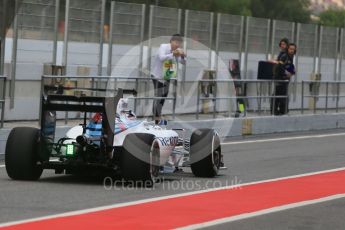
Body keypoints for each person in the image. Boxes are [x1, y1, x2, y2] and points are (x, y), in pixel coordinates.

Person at [151, 34, 186, 124]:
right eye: (176, 42)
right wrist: (172, 54)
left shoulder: (176, 51)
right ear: (171, 41)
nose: (177, 45)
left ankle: (157, 114)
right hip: (157, 75)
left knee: (164, 95)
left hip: (167, 75)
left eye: (179, 43)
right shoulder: (163, 47)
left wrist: (182, 56)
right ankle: (155, 116)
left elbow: (183, 62)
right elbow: (161, 58)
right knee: (158, 95)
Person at [273, 43, 297, 115]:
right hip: (280, 79)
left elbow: (289, 67)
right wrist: (287, 73)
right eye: (290, 49)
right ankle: (275, 111)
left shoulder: (290, 57)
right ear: (288, 49)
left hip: (285, 80)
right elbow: (280, 67)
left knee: (283, 96)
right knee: (278, 96)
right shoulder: (284, 56)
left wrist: (292, 72)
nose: (292, 50)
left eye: (293, 49)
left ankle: (282, 110)